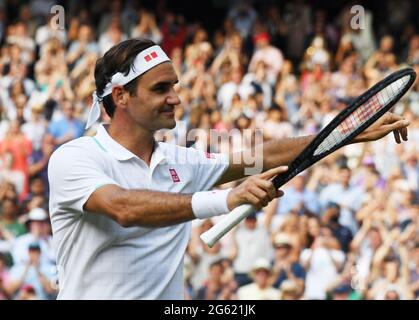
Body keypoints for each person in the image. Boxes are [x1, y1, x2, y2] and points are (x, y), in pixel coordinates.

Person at [47, 38, 410, 300]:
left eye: (174, 86)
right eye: (160, 88)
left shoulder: (180, 160)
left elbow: (261, 156)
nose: (175, 98)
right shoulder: (74, 158)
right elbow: (123, 208)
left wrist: (345, 132)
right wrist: (226, 200)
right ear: (121, 96)